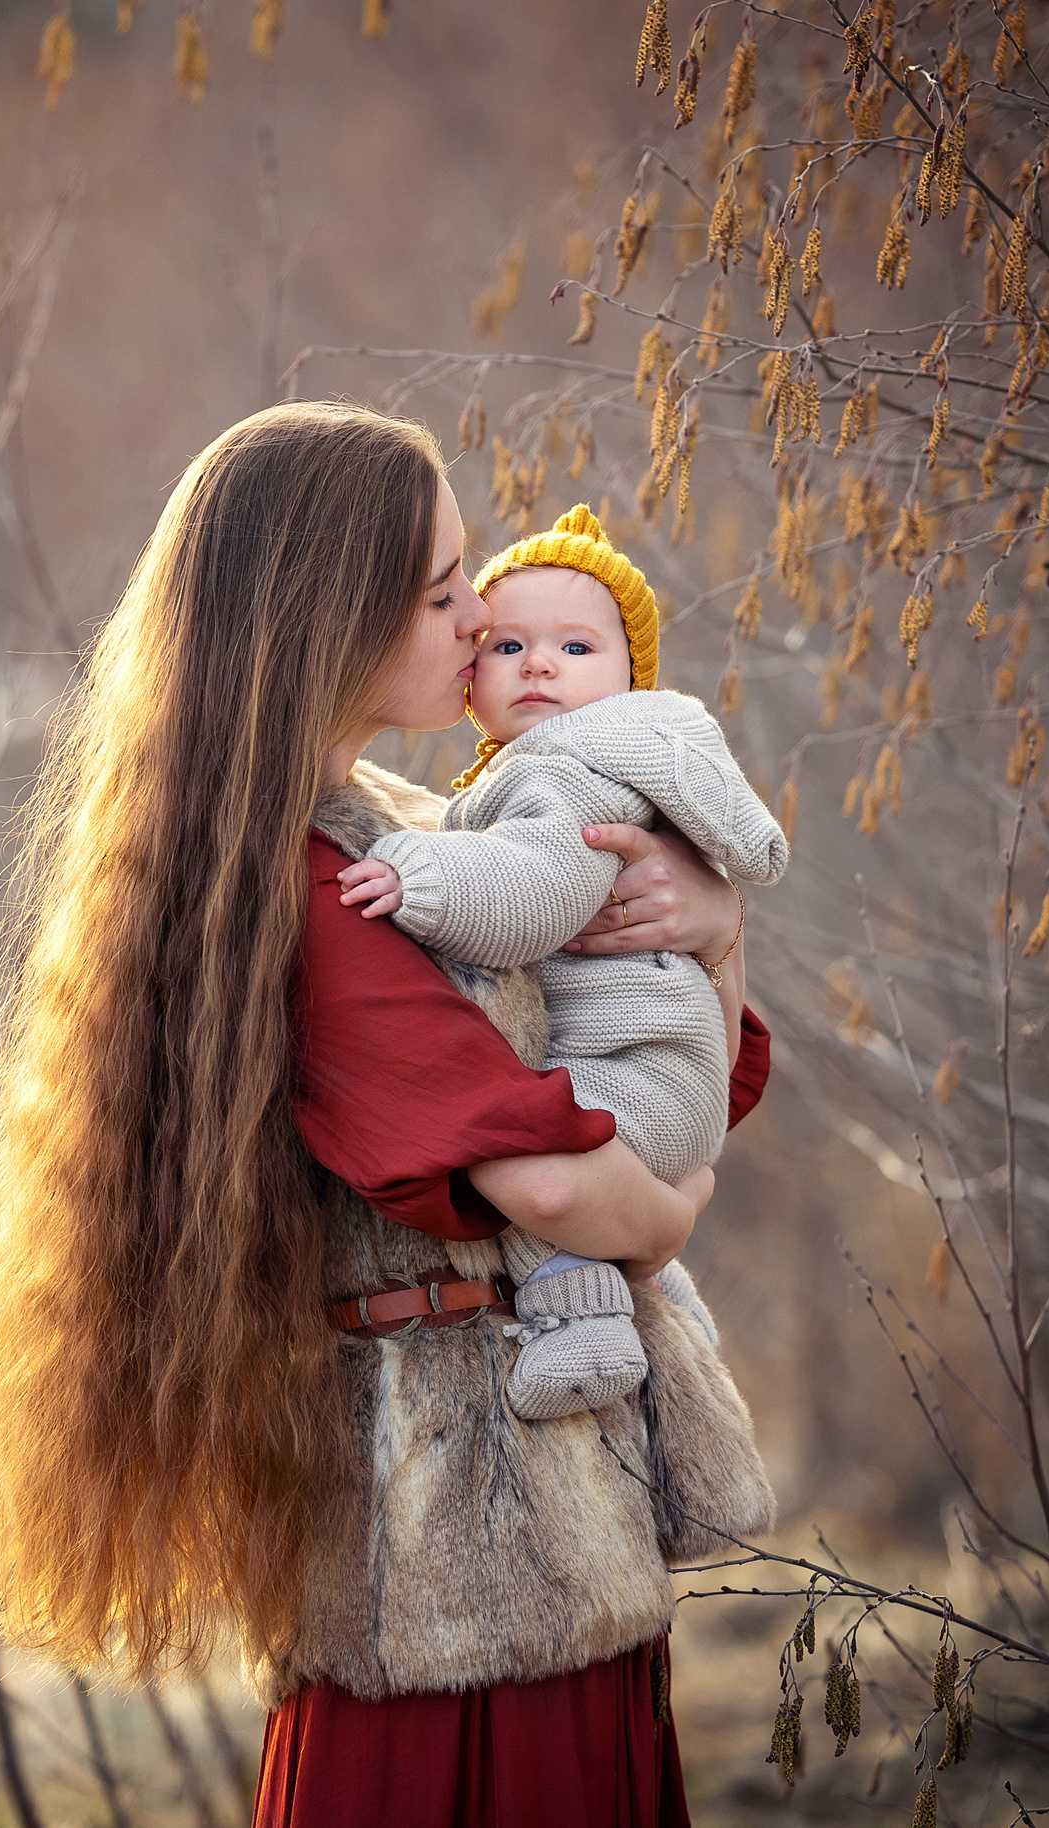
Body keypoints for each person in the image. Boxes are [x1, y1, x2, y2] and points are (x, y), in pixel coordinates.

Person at [0, 402, 774, 1827]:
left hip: (534, 1528)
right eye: (443, 592)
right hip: (449, 1570)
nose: (483, 612)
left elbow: (689, 1071)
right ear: (333, 621)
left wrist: (715, 928)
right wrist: (670, 1219)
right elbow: (557, 1189)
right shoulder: (318, 895)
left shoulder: (413, 830)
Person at [327, 504, 788, 1420]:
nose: (529, 660)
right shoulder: (440, 811)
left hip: (632, 1086)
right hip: (657, 1094)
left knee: (565, 1174)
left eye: (576, 649)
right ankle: (642, 1287)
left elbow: (526, 894)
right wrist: (668, 1220)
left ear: (629, 684)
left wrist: (714, 921)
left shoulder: (552, 779)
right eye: (506, 643)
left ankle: (585, 1318)